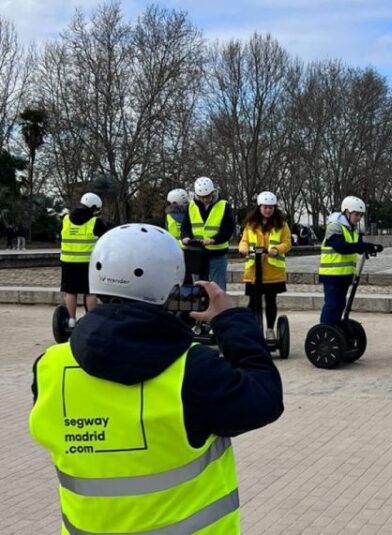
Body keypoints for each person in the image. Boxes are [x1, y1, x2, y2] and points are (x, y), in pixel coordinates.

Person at [29, 223, 284, 534]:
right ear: (174, 290)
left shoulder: (49, 368)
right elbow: (265, 397)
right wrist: (229, 320)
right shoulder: (193, 370)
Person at [319, 196, 383, 325]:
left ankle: (336, 332)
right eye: (356, 214)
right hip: (331, 274)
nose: (359, 218)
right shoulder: (334, 227)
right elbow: (341, 247)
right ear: (346, 212)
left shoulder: (353, 229)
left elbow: (358, 247)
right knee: (332, 306)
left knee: (340, 305)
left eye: (361, 215)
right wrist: (363, 246)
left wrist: (371, 247)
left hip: (345, 274)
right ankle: (325, 332)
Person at [239, 191, 292, 341]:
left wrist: (277, 249)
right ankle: (252, 329)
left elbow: (287, 243)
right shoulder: (250, 225)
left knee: (270, 300)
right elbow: (244, 240)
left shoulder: (281, 224)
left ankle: (269, 329)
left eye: (271, 207)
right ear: (259, 207)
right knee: (253, 302)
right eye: (265, 207)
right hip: (254, 270)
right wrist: (243, 248)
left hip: (272, 271)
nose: (268, 210)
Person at [59, 193, 108, 328]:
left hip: (68, 261)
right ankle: (90, 321)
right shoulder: (94, 222)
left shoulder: (66, 219)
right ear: (93, 207)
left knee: (71, 291)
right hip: (88, 262)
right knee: (90, 291)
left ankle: (71, 320)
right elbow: (106, 238)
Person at [181, 176, 235, 291]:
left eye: (208, 196)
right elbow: (185, 226)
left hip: (217, 252)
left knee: (218, 289)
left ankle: (219, 309)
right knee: (198, 288)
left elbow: (228, 230)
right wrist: (185, 237)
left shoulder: (223, 205)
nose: (205, 199)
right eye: (202, 197)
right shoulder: (191, 206)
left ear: (213, 192)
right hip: (196, 252)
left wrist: (214, 240)